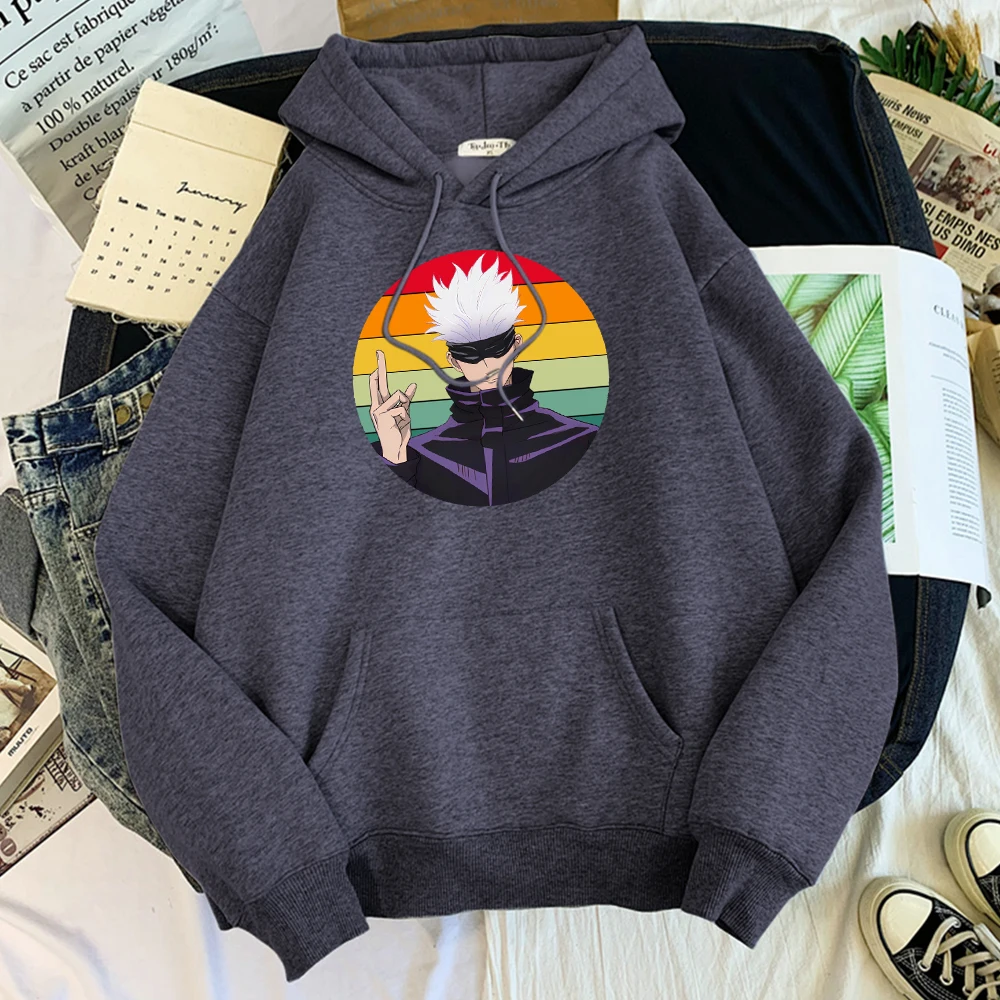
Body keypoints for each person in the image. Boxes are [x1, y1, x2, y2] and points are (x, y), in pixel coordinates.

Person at [369, 254, 598, 506]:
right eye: (471, 356)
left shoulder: (578, 439)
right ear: (454, 361)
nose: (488, 366)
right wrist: (395, 457)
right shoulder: (419, 456)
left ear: (517, 346)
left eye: (497, 350)